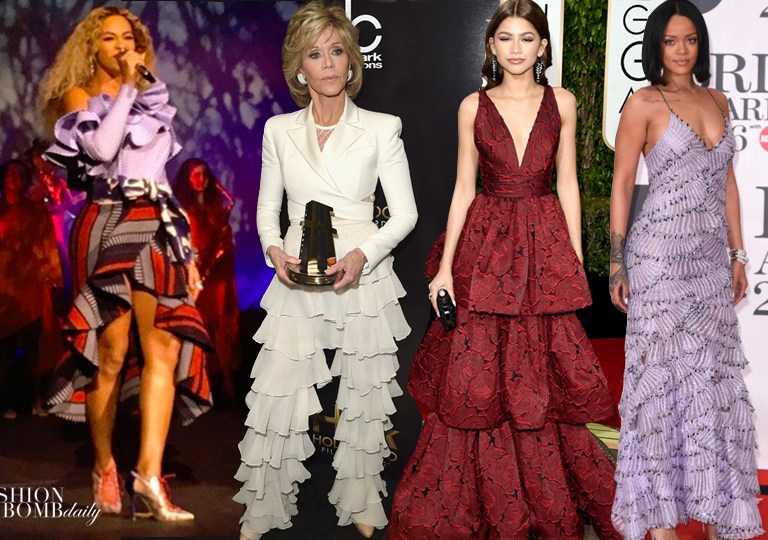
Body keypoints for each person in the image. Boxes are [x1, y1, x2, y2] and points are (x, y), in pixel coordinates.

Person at [390, 1, 620, 538]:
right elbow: (463, 189)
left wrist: (572, 259)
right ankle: (490, 504)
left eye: (526, 38)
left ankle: (543, 500)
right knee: (479, 379)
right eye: (506, 38)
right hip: (486, 249)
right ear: (491, 46)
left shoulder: (563, 102)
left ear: (543, 46)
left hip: (541, 247)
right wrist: (446, 270)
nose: (516, 48)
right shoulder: (473, 106)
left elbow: (568, 182)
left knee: (540, 375)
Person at [232, 2, 418, 539]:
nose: (329, 63)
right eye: (316, 54)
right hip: (296, 269)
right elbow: (268, 209)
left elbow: (404, 213)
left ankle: (361, 500)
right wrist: (274, 250)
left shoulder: (381, 128)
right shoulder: (278, 130)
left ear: (352, 61)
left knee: (365, 391)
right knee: (278, 390)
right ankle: (264, 506)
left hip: (361, 269)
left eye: (337, 51)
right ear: (300, 67)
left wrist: (365, 254)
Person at [39, 6, 212, 521]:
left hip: (156, 219)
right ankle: (104, 465)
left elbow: (159, 177)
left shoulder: (153, 101)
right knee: (110, 349)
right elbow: (103, 148)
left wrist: (185, 249)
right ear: (92, 47)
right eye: (110, 38)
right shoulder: (80, 97)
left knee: (165, 345)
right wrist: (128, 90)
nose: (121, 47)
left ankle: (150, 478)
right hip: (109, 218)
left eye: (128, 38)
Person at [608, 1, 764, 539]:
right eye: (671, 41)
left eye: (690, 39)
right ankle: (660, 525)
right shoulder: (644, 103)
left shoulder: (718, 99)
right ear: (656, 45)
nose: (681, 50)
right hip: (659, 261)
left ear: (701, 43)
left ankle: (719, 513)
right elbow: (623, 183)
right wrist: (617, 261)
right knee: (660, 388)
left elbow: (727, 184)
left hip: (709, 265)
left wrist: (738, 254)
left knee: (713, 388)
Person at [174, 157, 241, 402]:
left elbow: (226, 243)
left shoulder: (216, 208)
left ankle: (226, 381)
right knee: (202, 326)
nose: (201, 180)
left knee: (223, 326)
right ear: (187, 179)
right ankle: (199, 384)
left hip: (219, 275)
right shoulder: (183, 210)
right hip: (199, 276)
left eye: (204, 174)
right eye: (195, 175)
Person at [0, 159, 62, 420]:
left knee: (33, 345)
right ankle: (4, 401)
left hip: (31, 285)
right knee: (4, 347)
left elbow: (48, 243)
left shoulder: (37, 211)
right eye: (10, 173)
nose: (14, 177)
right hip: (4, 286)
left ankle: (36, 398)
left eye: (19, 173)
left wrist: (53, 276)